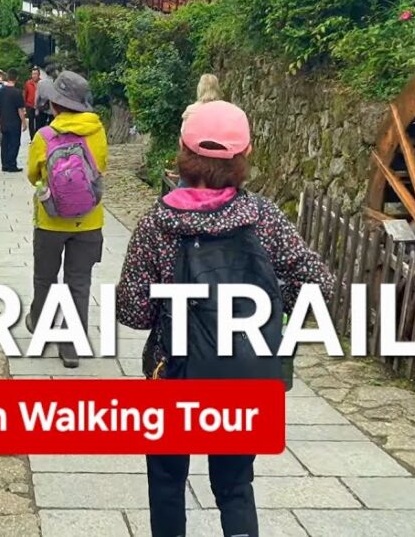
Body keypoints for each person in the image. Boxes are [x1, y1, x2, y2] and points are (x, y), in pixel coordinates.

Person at [116, 100, 334, 537]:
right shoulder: (264, 219)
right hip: (243, 374)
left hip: (172, 372)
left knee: (166, 482)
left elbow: (134, 312)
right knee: (235, 486)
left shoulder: (157, 224)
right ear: (245, 155)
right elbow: (319, 286)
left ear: (181, 150)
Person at [25, 71, 108, 368]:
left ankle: (39, 321)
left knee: (45, 277)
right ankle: (71, 347)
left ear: (55, 106)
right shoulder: (98, 132)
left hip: (50, 221)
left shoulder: (44, 136)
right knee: (79, 282)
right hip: (89, 221)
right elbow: (101, 168)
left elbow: (32, 175)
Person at [0, 69, 28, 172]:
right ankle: (12, 164)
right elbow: (20, 109)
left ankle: (4, 164)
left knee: (5, 143)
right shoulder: (17, 92)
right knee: (14, 143)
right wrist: (24, 122)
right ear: (17, 78)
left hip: (4, 120)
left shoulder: (1, 91)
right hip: (14, 122)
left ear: (7, 77)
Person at [35, 64, 59, 132]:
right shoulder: (56, 83)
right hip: (53, 109)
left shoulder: (40, 82)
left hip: (42, 107)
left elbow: (37, 96)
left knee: (40, 128)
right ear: (53, 72)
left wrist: (36, 108)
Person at [24, 67, 41, 138]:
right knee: (31, 123)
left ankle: (37, 137)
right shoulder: (28, 83)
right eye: (33, 74)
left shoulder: (41, 83)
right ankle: (32, 138)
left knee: (38, 123)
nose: (34, 75)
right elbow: (25, 95)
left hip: (39, 106)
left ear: (39, 75)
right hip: (30, 106)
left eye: (35, 74)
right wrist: (24, 107)